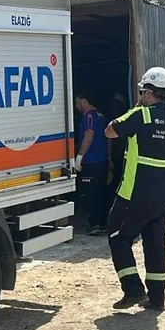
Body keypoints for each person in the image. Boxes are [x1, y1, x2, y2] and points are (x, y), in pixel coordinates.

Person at [103, 67, 165, 313]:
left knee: (118, 237)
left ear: (148, 92)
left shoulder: (141, 115)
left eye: (141, 92)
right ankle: (157, 299)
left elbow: (110, 130)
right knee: (155, 244)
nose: (140, 95)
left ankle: (133, 289)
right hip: (163, 193)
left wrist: (136, 108)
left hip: (135, 191)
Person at [73, 95, 110, 236]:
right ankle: (102, 223)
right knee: (101, 192)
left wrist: (79, 158)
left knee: (88, 194)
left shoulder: (89, 116)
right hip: (102, 160)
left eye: (77, 103)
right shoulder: (102, 116)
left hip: (91, 162)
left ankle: (95, 223)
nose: (76, 106)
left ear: (84, 101)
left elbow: (89, 135)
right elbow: (109, 138)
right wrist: (109, 156)